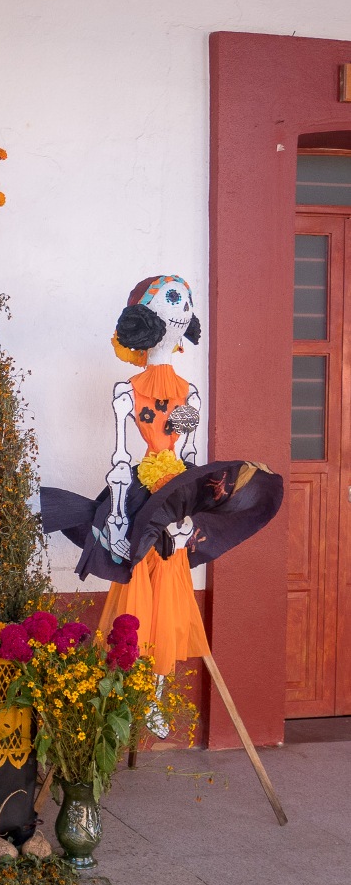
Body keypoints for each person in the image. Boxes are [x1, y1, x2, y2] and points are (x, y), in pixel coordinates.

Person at [42, 275, 282, 690]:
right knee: (137, 583)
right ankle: (132, 692)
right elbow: (120, 458)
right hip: (139, 493)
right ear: (146, 313)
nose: (184, 308)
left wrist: (191, 512)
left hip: (176, 497)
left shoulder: (187, 395)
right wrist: (118, 518)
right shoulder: (129, 392)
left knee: (169, 587)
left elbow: (186, 452)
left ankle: (153, 695)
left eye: (187, 300)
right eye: (174, 299)